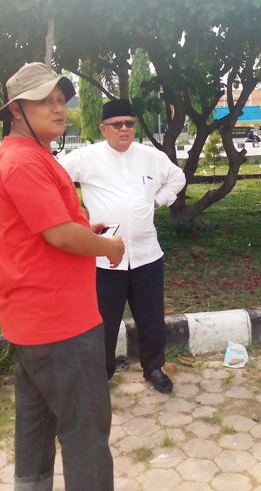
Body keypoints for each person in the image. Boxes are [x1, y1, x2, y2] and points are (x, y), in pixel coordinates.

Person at [0, 62, 124, 491]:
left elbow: (49, 226)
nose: (59, 108)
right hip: (60, 323)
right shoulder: (23, 161)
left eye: (61, 99)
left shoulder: (30, 155)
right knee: (85, 432)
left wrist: (86, 229)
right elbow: (59, 235)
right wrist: (108, 247)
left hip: (36, 321)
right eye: (45, 101)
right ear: (16, 110)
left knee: (36, 423)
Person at [59, 99, 185, 393]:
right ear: (103, 129)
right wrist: (76, 214)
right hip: (104, 257)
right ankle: (101, 373)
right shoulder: (86, 157)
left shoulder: (150, 156)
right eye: (117, 124)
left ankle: (154, 368)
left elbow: (177, 178)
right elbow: (53, 179)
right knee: (103, 321)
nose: (124, 129)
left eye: (129, 123)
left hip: (146, 254)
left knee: (151, 318)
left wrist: (158, 200)